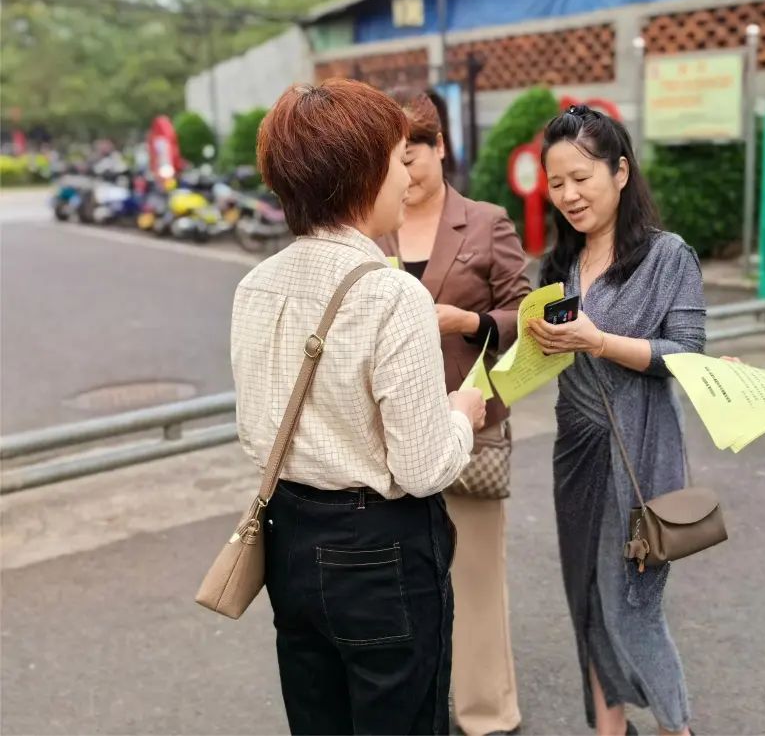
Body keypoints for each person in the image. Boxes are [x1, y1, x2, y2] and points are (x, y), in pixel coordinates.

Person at [231, 79, 486, 736]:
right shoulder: (391, 295)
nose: (408, 179)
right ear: (362, 172)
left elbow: (255, 433)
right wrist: (464, 414)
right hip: (381, 550)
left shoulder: (254, 287)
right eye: (399, 160)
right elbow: (426, 466)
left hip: (289, 537)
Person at [526, 105, 705, 736]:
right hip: (576, 455)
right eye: (557, 183)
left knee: (634, 609)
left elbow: (688, 356)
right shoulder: (559, 266)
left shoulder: (667, 256)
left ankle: (676, 728)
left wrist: (599, 341)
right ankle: (608, 729)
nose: (570, 195)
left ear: (621, 171)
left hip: (642, 458)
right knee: (587, 602)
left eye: (583, 177)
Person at [377, 88, 530, 736]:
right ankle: (419, 706)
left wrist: (468, 319)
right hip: (385, 436)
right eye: (392, 160)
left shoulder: (486, 220)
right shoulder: (370, 227)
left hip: (469, 428)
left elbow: (530, 314)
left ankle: (487, 714)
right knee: (396, 583)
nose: (405, 174)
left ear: (440, 149)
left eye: (414, 157)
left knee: (474, 576)